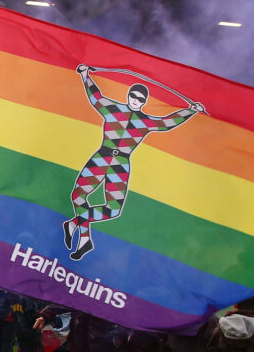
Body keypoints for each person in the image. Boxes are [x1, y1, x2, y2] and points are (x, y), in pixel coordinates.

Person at [63, 65, 204, 260]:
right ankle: (84, 239)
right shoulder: (112, 109)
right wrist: (85, 75)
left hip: (120, 163)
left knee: (113, 209)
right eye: (133, 96)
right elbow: (96, 97)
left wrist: (190, 111)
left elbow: (166, 123)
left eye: (140, 99)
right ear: (128, 96)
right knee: (78, 195)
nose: (136, 101)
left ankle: (74, 224)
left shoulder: (145, 121)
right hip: (102, 156)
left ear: (144, 102)